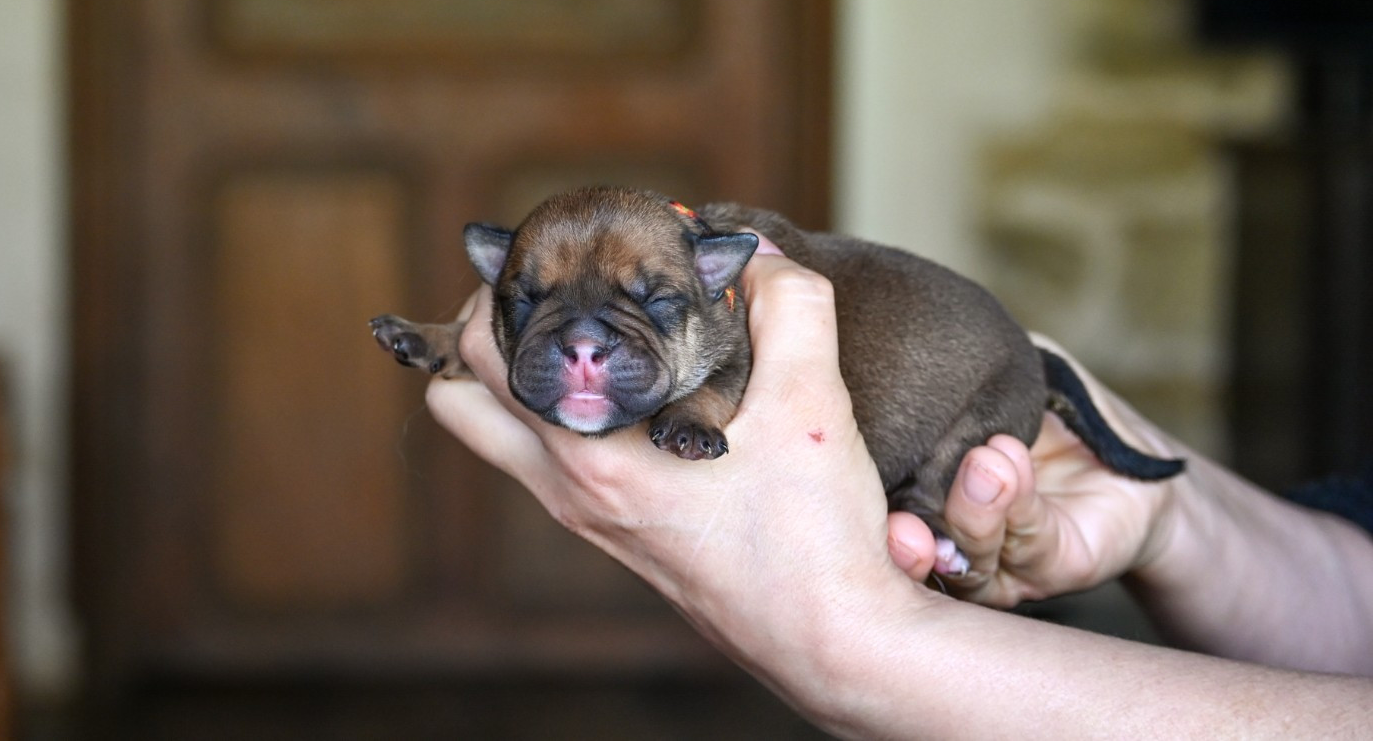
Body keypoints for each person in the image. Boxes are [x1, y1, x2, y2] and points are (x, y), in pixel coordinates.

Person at [426, 237, 1373, 738]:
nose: (587, 343)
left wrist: (872, 649)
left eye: (644, 309)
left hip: (961, 390)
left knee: (931, 494)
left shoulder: (732, 308)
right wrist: (1177, 515)